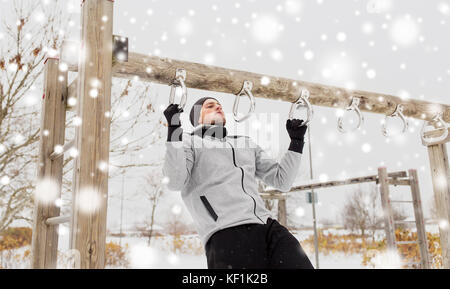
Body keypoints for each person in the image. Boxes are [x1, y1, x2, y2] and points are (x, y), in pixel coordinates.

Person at [163, 96, 314, 269]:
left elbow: (282, 180)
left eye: (219, 105)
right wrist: (174, 130)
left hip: (267, 228)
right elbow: (174, 181)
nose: (218, 107)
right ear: (197, 117)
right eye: (210, 106)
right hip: (226, 232)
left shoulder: (245, 143)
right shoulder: (188, 142)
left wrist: (296, 141)